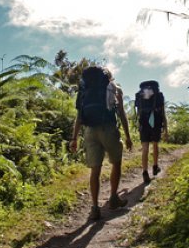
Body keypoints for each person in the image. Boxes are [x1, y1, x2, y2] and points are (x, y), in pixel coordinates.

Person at [70, 66, 133, 221]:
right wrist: (128, 136)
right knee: (116, 162)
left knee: (95, 170)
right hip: (108, 128)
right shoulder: (114, 88)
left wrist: (74, 138)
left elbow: (79, 116)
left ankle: (95, 208)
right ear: (108, 77)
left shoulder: (84, 90)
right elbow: (122, 114)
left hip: (89, 131)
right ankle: (113, 198)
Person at [134, 80, 167, 184]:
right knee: (155, 145)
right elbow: (162, 112)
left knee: (145, 148)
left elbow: (138, 113)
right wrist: (166, 128)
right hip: (156, 123)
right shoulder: (158, 96)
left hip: (143, 123)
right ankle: (155, 167)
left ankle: (144, 172)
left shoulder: (140, 96)